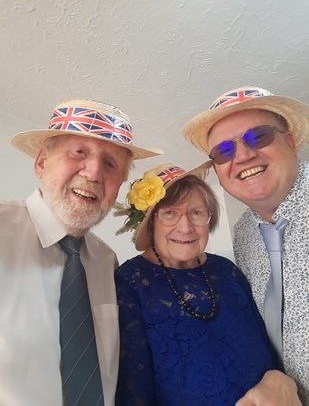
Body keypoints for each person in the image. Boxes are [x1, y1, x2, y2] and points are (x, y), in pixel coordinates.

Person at [0, 98, 162, 406]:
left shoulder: (107, 262)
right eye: (79, 153)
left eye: (111, 164)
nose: (93, 173)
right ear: (41, 163)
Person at [113, 161, 287, 406]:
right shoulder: (130, 282)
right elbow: (133, 389)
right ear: (152, 221)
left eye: (197, 212)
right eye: (170, 213)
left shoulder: (226, 271)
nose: (185, 227)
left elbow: (269, 349)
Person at [182, 85, 309, 405]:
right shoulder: (244, 233)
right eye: (224, 151)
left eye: (258, 136)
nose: (243, 155)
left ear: (290, 142)